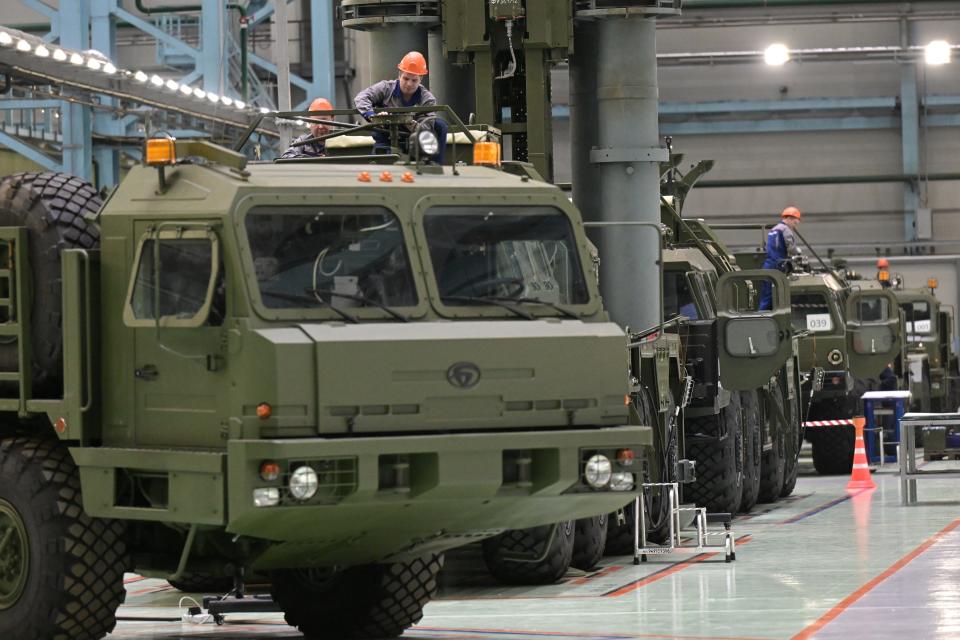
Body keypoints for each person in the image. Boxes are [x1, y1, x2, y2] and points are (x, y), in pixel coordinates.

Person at [353, 51, 448, 164]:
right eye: (406, 78)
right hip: (386, 137)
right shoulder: (385, 88)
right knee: (380, 165)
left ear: (421, 79)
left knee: (440, 125)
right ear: (399, 75)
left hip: (414, 142)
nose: (409, 84)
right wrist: (373, 116)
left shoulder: (428, 99)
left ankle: (435, 165)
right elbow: (361, 98)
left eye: (414, 80)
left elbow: (427, 127)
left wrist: (415, 126)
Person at [759, 206, 802, 311]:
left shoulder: (773, 229)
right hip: (777, 266)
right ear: (790, 219)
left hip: (768, 264)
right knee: (773, 295)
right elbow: (791, 249)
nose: (794, 226)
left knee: (766, 295)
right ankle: (762, 317)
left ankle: (762, 315)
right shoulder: (786, 230)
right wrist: (798, 253)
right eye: (795, 223)